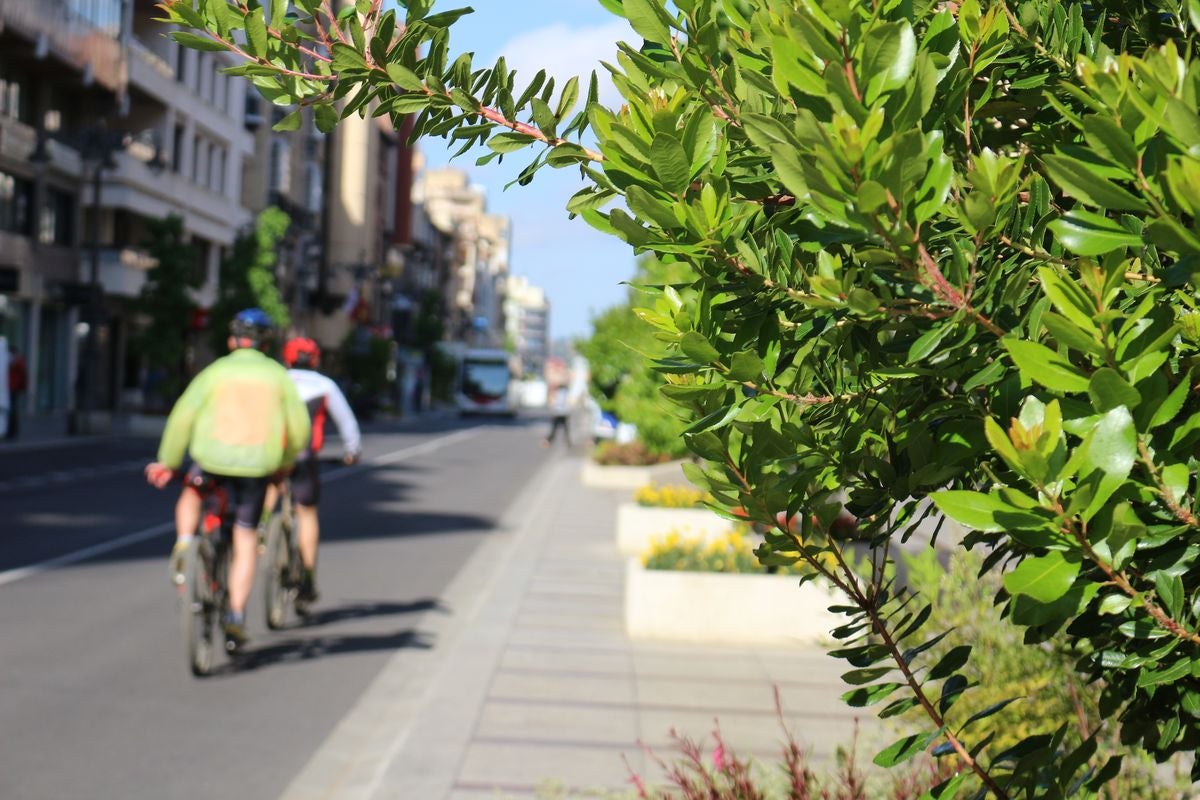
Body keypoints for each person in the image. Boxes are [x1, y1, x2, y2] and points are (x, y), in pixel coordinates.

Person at [144, 309, 310, 649]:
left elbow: (182, 417)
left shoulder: (214, 372)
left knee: (191, 495)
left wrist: (168, 462)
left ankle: (186, 543)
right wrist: (286, 462)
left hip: (211, 460)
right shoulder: (278, 376)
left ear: (232, 340)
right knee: (245, 538)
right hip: (257, 466)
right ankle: (235, 614)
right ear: (266, 343)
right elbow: (299, 430)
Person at [278, 335, 362, 606]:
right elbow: (347, 422)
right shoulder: (325, 385)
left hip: (272, 455)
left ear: (287, 358)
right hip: (305, 457)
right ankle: (308, 577)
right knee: (307, 513)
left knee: (269, 489)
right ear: (315, 360)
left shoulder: (276, 379)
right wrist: (352, 451)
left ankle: (262, 531)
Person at [7, 344, 27, 440]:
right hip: (11, 387)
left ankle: (12, 431)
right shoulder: (18, 361)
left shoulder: (18, 361)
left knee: (12, 410)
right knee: (12, 409)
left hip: (13, 388)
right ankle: (12, 430)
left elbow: (21, 374)